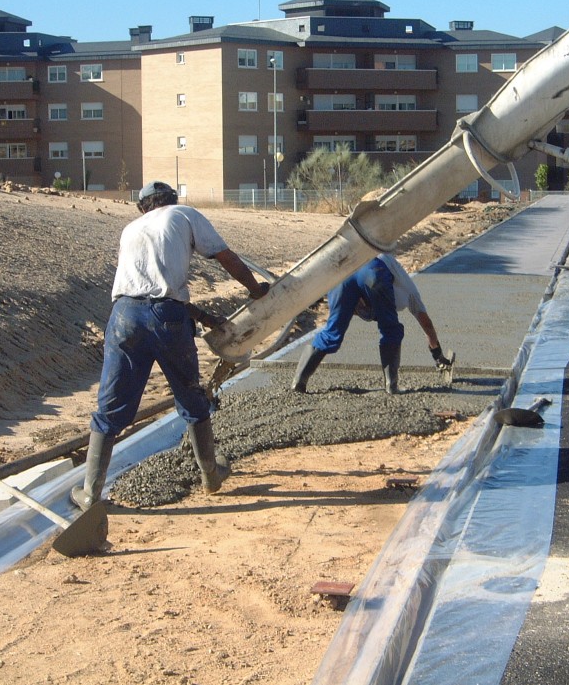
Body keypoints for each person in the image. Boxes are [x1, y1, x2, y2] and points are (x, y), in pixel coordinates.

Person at [70, 181, 270, 512]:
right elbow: (224, 256)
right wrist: (254, 289)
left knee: (111, 407)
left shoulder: (131, 229)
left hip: (123, 318)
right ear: (171, 200)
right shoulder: (183, 214)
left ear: (143, 207)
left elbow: (144, 289)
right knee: (191, 396)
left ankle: (91, 494)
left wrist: (203, 315)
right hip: (168, 319)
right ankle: (211, 475)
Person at [291, 253, 453, 395]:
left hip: (342, 272)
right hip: (372, 272)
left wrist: (438, 356)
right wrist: (437, 356)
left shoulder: (406, 292)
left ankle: (298, 383)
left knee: (332, 332)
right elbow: (427, 325)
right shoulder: (409, 293)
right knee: (390, 329)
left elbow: (427, 326)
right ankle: (391, 386)